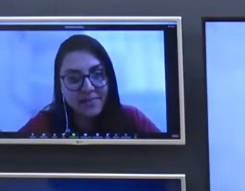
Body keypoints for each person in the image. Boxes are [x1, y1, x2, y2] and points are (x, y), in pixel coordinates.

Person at [16, 34, 162, 135]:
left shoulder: (131, 118)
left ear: (109, 77)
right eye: (73, 78)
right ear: (60, 86)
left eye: (97, 74)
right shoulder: (44, 124)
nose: (88, 87)